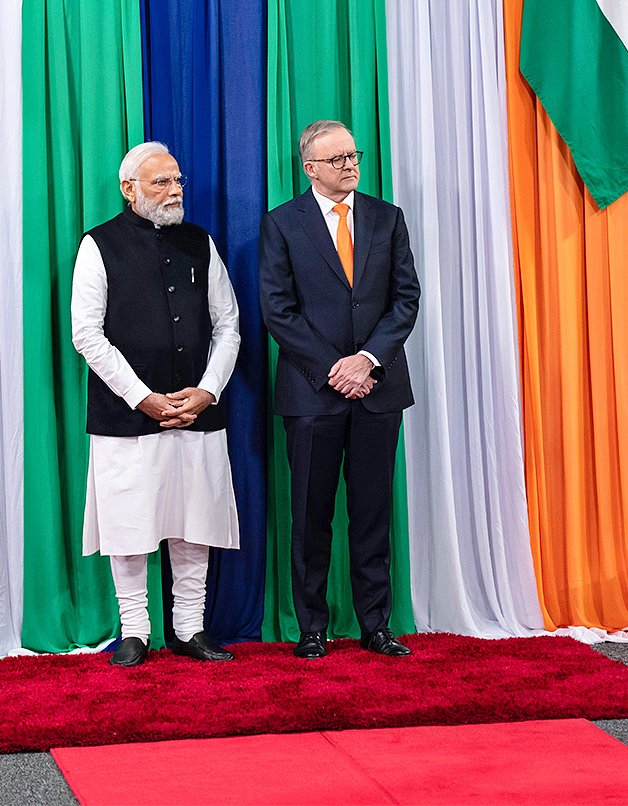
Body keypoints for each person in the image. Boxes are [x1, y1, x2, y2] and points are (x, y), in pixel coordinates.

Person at [72, 141, 241, 668]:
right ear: (130, 189)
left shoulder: (200, 241)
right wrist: (142, 398)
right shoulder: (98, 244)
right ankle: (134, 630)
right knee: (128, 522)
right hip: (127, 415)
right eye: (161, 183)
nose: (174, 192)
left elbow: (228, 324)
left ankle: (190, 628)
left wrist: (208, 390)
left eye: (177, 181)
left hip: (197, 409)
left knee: (195, 521)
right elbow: (86, 334)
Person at [258, 120, 419, 659]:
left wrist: (367, 361)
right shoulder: (281, 224)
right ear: (311, 169)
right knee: (311, 514)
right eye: (338, 159)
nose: (351, 165)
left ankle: (376, 625)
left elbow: (406, 300)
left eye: (354, 155)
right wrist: (336, 368)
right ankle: (311, 628)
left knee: (372, 512)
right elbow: (278, 310)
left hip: (378, 389)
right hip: (312, 394)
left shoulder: (387, 218)